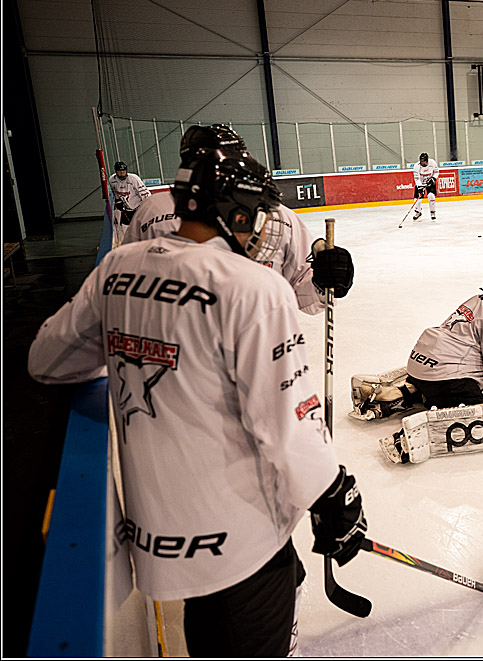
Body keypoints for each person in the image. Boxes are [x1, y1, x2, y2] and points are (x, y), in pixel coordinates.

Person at [27, 149, 366, 657]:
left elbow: (46, 359)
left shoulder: (118, 266)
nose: (262, 229)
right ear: (237, 214)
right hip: (243, 540)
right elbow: (289, 423)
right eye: (257, 214)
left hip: (163, 536)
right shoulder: (255, 288)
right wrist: (332, 493)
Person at [123, 124, 352, 316]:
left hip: (260, 347)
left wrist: (324, 283)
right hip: (177, 350)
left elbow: (300, 285)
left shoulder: (281, 217)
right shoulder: (153, 211)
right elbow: (125, 279)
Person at [406, 268, 483, 409]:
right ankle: (432, 397)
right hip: (443, 379)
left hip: (418, 366)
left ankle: (413, 394)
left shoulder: (477, 300)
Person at [107, 161, 151, 232]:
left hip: (138, 208)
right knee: (125, 227)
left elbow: (144, 193)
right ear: (116, 171)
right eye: (120, 171)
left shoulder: (134, 179)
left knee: (142, 227)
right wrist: (118, 201)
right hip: (127, 209)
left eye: (124, 171)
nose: (122, 173)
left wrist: (148, 206)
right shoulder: (112, 180)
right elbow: (115, 192)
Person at [411, 152, 439, 221]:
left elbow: (436, 172)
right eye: (421, 161)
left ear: (427, 160)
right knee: (417, 199)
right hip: (420, 183)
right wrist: (420, 187)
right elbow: (417, 178)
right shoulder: (416, 166)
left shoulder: (432, 163)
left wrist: (433, 179)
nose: (422, 163)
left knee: (431, 196)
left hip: (430, 183)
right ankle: (418, 212)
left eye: (424, 161)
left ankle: (432, 212)